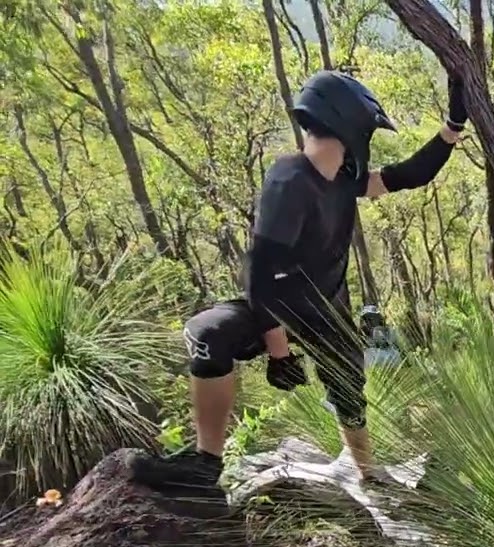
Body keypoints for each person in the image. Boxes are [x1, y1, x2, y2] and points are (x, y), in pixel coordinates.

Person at [132, 69, 469, 494]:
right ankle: (205, 463)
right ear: (349, 125)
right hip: (278, 307)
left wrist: (454, 126)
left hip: (327, 309)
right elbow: (259, 272)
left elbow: (408, 175)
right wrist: (278, 351)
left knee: (349, 389)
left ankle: (364, 471)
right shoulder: (289, 178)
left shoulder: (344, 182)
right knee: (206, 333)